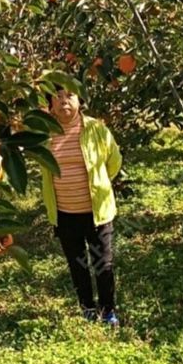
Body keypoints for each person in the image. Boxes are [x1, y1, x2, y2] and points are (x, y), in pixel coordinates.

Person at [41, 88, 122, 326]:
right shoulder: (46, 133)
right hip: (65, 214)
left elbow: (114, 160)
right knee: (77, 263)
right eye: (57, 96)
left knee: (102, 263)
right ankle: (87, 308)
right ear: (51, 104)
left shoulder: (95, 128)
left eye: (70, 95)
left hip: (97, 212)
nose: (64, 101)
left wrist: (99, 184)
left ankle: (108, 311)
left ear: (80, 101)